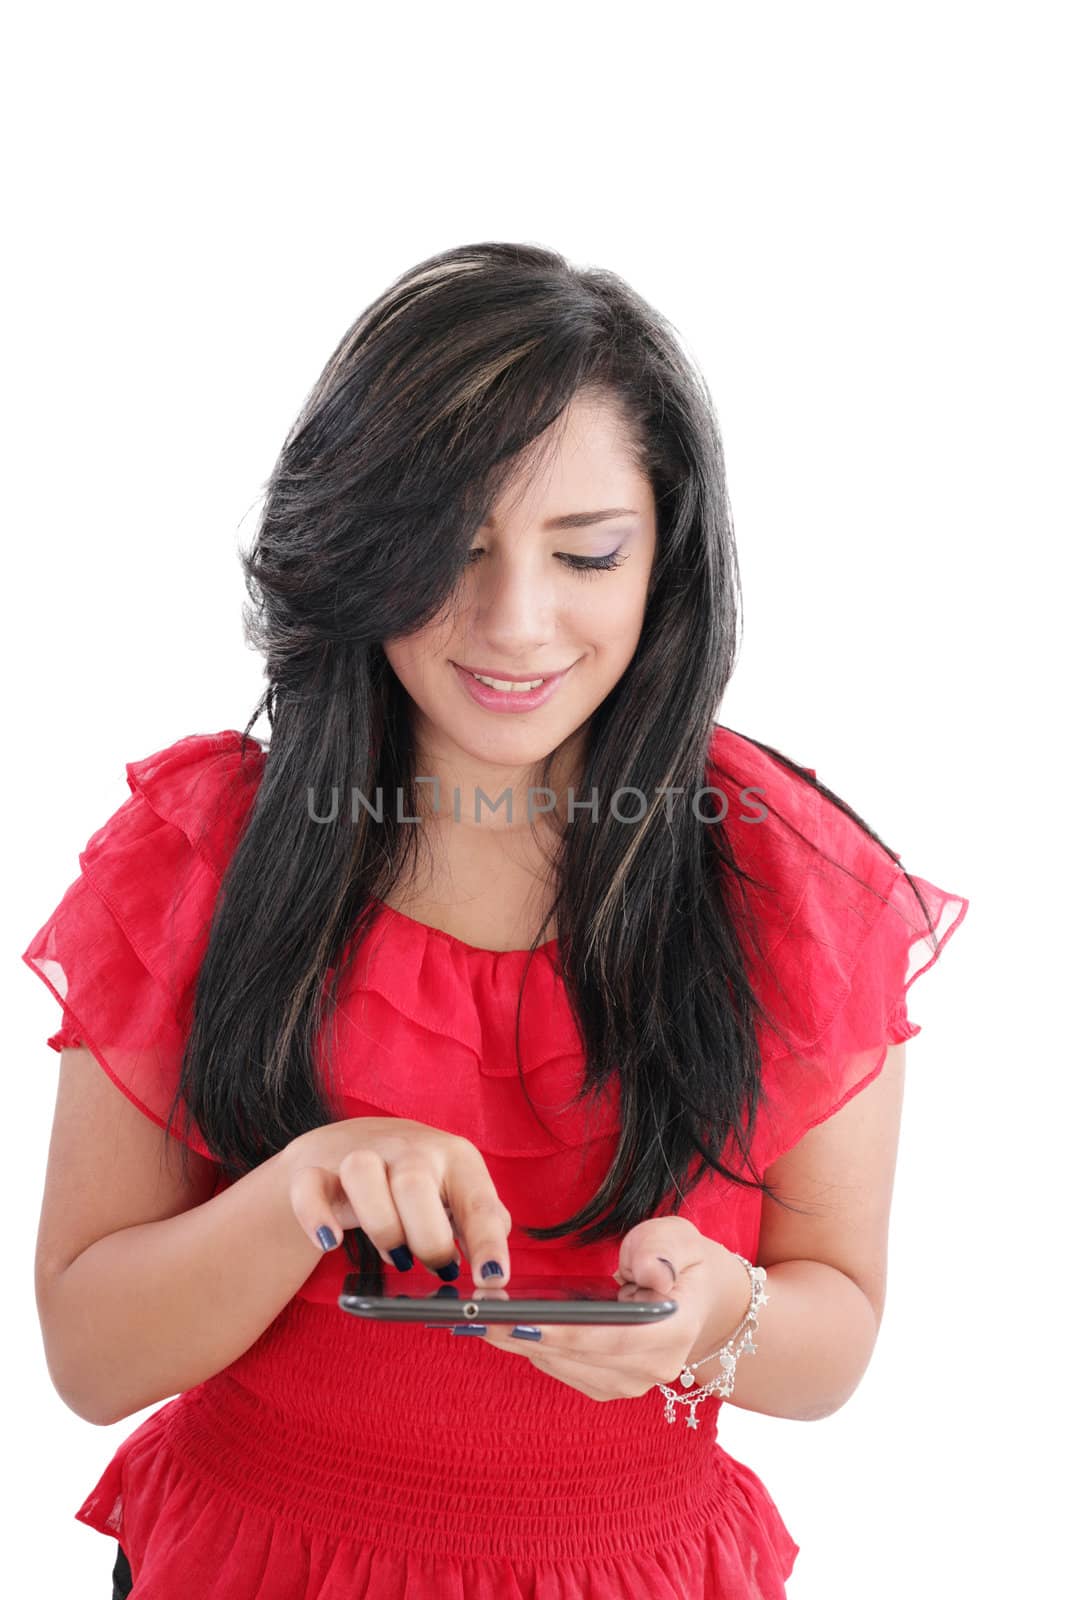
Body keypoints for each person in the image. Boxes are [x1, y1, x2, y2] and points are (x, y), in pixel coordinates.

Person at [24, 241, 969, 1600]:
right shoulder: (201, 857)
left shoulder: (784, 879)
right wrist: (309, 1187)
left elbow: (840, 1329)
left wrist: (717, 1317)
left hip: (632, 1570)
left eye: (585, 553)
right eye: (450, 552)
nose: (515, 623)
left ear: (666, 557)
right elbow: (90, 1358)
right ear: (356, 547)